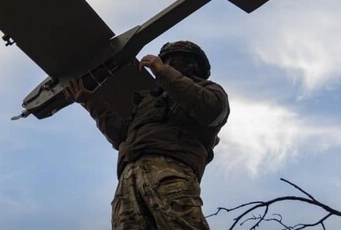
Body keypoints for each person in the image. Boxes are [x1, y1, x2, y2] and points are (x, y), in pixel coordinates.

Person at [65, 41, 229, 230]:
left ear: (192, 65)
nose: (165, 65)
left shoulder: (211, 91)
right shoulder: (149, 100)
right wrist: (89, 101)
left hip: (170, 169)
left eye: (172, 61)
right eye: (164, 61)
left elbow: (211, 110)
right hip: (129, 177)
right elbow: (122, 136)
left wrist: (163, 72)